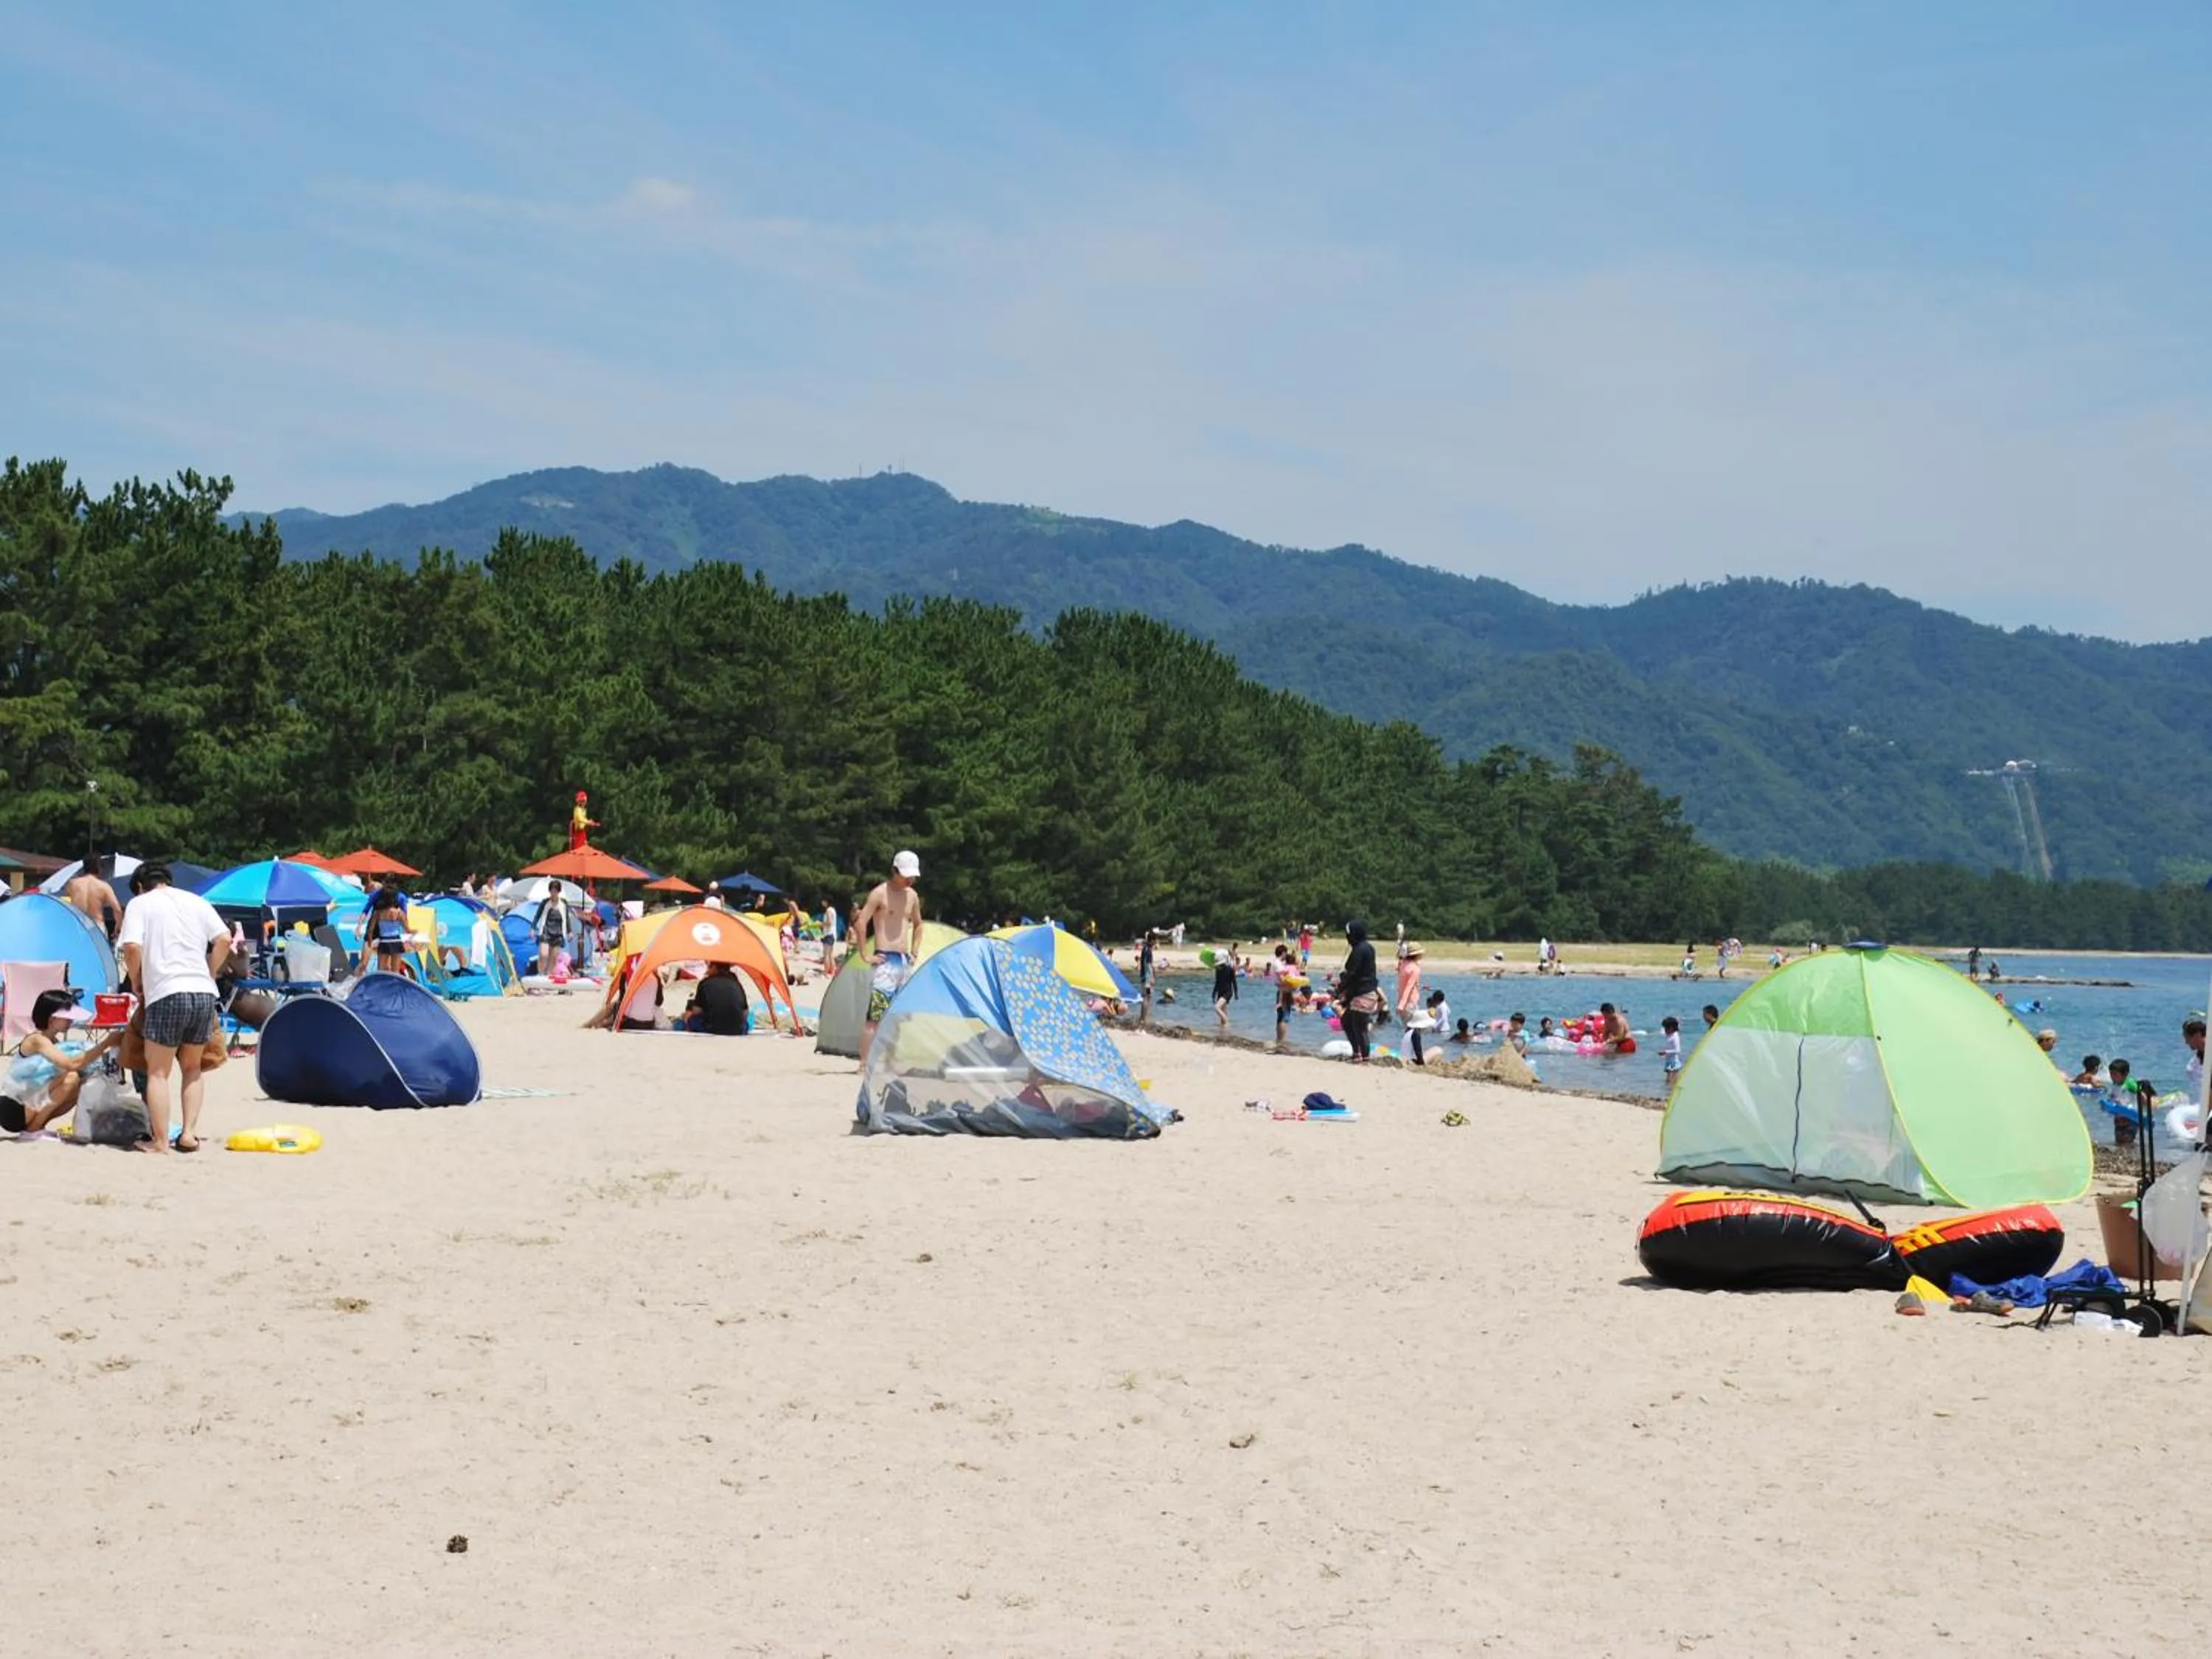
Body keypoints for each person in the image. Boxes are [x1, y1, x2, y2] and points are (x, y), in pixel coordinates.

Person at [116, 862, 229, 1155]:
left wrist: (137, 981)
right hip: (203, 992)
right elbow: (225, 939)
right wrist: (209, 971)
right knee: (192, 1068)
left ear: (140, 886)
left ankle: (161, 1142)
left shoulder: (140, 905)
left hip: (167, 992)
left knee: (157, 1072)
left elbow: (131, 948)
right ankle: (189, 1134)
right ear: (168, 880)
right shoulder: (196, 901)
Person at [4, 990, 125, 1135]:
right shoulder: (37, 1040)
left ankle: (39, 1126)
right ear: (52, 1019)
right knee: (71, 1077)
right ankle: (34, 1128)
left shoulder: (54, 1042)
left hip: (28, 1103)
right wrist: (105, 1044)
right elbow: (70, 1064)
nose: (71, 1021)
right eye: (67, 1018)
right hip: (13, 1106)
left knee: (79, 1084)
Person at [852, 850, 923, 1065]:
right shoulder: (879, 893)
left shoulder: (912, 896)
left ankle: (891, 1061)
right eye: (906, 875)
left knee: (898, 1016)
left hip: (903, 960)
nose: (910, 879)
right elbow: (860, 922)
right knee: (874, 1016)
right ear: (895, 871)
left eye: (912, 876)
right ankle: (864, 1063)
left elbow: (919, 924)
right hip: (884, 958)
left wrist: (915, 951)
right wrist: (865, 954)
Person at [1335, 919, 1381, 1062]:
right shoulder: (1367, 948)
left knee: (1360, 1028)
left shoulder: (1360, 950)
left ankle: (1365, 1058)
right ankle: (1357, 1054)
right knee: (1348, 1021)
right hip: (1363, 992)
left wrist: (1341, 987)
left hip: (1363, 992)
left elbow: (1353, 973)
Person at [63, 855, 124, 941]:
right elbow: (117, 910)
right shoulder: (104, 886)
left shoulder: (72, 884)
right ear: (98, 867)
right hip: (96, 926)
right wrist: (118, 927)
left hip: (78, 925)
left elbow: (66, 902)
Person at [687, 961, 751, 1035]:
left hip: (714, 1028)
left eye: (709, 967)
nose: (707, 971)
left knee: (691, 1019)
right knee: (745, 1023)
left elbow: (696, 1011)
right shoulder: (736, 983)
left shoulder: (705, 983)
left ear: (714, 967)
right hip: (738, 1029)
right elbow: (745, 1013)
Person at [367, 882, 411, 976]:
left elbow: (370, 930)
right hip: (396, 941)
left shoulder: (378, 913)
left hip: (384, 942)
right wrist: (417, 932)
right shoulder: (399, 913)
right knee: (395, 973)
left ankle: (380, 989)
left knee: (380, 971)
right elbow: (408, 930)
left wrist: (371, 943)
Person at [536, 884, 574, 977]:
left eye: (555, 891)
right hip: (546, 930)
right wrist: (533, 928)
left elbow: (567, 918)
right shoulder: (545, 902)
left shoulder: (563, 903)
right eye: (551, 891)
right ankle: (540, 974)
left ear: (558, 892)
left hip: (558, 932)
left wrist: (570, 931)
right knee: (543, 954)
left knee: (554, 958)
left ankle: (549, 976)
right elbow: (537, 916)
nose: (553, 893)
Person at [1394, 942, 1425, 1040]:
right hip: (1409, 1003)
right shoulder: (1415, 969)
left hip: (1402, 1002)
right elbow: (1409, 987)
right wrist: (1402, 1005)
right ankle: (1415, 1053)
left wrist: (1400, 1005)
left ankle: (1408, 1051)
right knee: (1414, 1031)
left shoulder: (1403, 965)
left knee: (1409, 1030)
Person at [1211, 951, 1238, 1031]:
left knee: (1217, 1008)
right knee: (1223, 1012)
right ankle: (1223, 1032)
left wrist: (1236, 994)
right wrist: (1214, 993)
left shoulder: (1230, 970)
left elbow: (1234, 982)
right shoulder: (1217, 971)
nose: (1217, 967)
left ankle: (1228, 1023)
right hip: (1220, 992)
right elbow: (1217, 982)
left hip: (1228, 992)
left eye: (1218, 965)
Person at [1138, 931, 1157, 1024]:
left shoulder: (1145, 949)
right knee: (1147, 997)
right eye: (1155, 940)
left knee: (1146, 997)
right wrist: (1151, 978)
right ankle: (1143, 1019)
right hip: (1147, 979)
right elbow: (1148, 965)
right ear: (1152, 940)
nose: (1156, 942)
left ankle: (1143, 1018)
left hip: (1144, 977)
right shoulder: (1148, 950)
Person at [1660, 1015, 1683, 1082]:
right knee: (1672, 1080)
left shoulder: (1675, 1036)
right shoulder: (1670, 1035)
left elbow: (1678, 1050)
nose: (1665, 1030)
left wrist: (1665, 1052)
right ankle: (1669, 1091)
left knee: (1669, 1080)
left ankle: (1669, 1091)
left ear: (1672, 1028)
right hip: (1669, 1061)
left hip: (1673, 1062)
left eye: (1666, 1028)